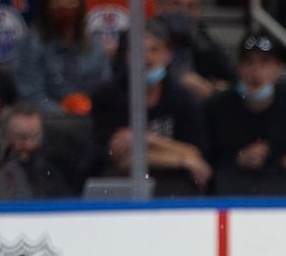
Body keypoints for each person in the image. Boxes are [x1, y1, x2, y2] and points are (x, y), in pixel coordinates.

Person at [89, 20, 210, 196]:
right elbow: (124, 159)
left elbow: (196, 152)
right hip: (121, 182)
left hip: (174, 183)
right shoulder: (108, 95)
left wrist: (147, 139)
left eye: (155, 50)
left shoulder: (183, 97)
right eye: (139, 51)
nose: (147, 58)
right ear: (127, 55)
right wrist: (182, 159)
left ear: (168, 54)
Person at [204, 34, 286, 196]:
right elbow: (205, 153)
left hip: (283, 183)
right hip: (233, 186)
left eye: (264, 63)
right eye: (248, 63)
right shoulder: (216, 107)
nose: (255, 71)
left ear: (277, 68)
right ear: (238, 67)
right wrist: (236, 159)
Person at [12, 0, 113, 118]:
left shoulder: (94, 46)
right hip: (49, 119)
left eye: (70, 0)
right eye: (57, 1)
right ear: (46, 6)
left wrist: (88, 110)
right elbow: (32, 96)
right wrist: (65, 113)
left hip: (90, 117)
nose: (64, 6)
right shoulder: (31, 45)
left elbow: (106, 90)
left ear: (80, 5)